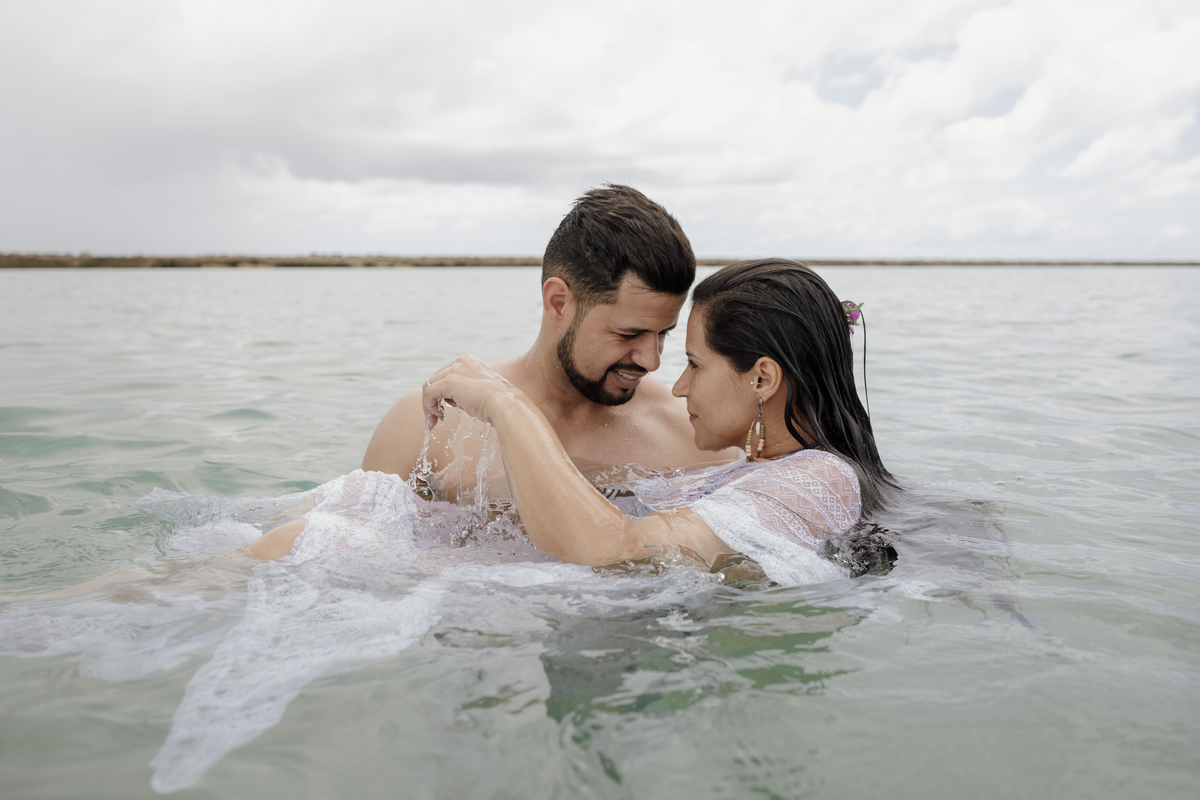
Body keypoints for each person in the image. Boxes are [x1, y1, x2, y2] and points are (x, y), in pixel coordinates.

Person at [250, 260, 897, 586]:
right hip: (569, 599)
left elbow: (611, 549)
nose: (673, 382)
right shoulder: (784, 472)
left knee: (297, 545)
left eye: (694, 364)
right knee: (303, 533)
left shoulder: (817, 481)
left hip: (587, 605)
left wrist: (506, 406)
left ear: (761, 378)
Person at [360, 184, 737, 503]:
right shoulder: (430, 425)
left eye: (663, 334)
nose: (651, 361)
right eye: (628, 335)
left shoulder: (691, 437)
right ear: (559, 302)